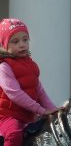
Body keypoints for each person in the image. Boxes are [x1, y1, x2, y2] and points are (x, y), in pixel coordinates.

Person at [0, 18, 58, 146]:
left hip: (28, 116)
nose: (22, 44)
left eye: (25, 39)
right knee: (14, 133)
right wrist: (41, 110)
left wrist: (53, 110)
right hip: (7, 117)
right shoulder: (4, 67)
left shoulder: (31, 65)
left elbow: (39, 91)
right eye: (15, 41)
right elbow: (15, 94)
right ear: (5, 45)